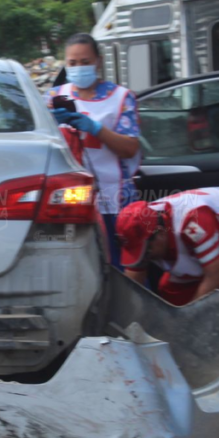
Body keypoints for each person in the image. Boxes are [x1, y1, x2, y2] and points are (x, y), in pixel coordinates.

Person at [46, 33, 141, 269]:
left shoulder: (121, 98)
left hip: (115, 198)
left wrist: (96, 128)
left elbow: (130, 148)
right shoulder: (53, 97)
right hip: (69, 199)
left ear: (98, 61)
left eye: (85, 62)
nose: (79, 68)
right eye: (72, 63)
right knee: (80, 265)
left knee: (123, 264)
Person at [115, 187, 219, 328]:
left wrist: (187, 319)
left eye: (146, 252)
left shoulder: (192, 221)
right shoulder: (142, 224)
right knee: (171, 293)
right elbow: (133, 284)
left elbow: (214, 277)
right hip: (212, 229)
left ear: (161, 234)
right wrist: (124, 323)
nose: (145, 258)